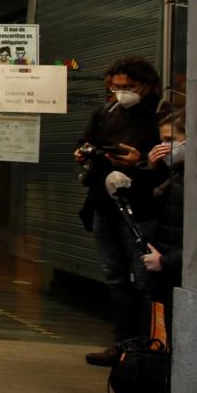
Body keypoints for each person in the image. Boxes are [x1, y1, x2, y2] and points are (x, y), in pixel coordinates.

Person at [73, 56, 164, 367]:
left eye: (128, 87)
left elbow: (172, 161)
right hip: (104, 203)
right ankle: (123, 343)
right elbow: (85, 142)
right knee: (115, 278)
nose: (120, 93)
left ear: (148, 85)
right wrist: (84, 153)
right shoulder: (106, 111)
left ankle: (147, 347)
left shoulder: (161, 115)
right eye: (114, 87)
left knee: (144, 281)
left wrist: (139, 163)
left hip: (141, 208)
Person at [143, 109, 184, 339]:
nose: (163, 147)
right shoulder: (174, 174)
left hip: (174, 268)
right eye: (162, 140)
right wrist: (152, 169)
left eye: (171, 140)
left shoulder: (194, 178)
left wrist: (165, 262)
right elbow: (150, 206)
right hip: (166, 269)